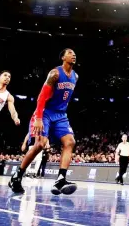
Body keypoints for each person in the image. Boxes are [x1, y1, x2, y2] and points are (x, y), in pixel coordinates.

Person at [8, 49, 78, 195]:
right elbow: (41, 97)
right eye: (70, 53)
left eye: (74, 53)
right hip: (45, 112)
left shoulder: (75, 76)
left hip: (60, 115)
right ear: (63, 57)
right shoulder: (55, 73)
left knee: (70, 142)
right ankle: (17, 176)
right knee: (40, 144)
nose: (73, 55)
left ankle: (60, 180)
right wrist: (39, 118)